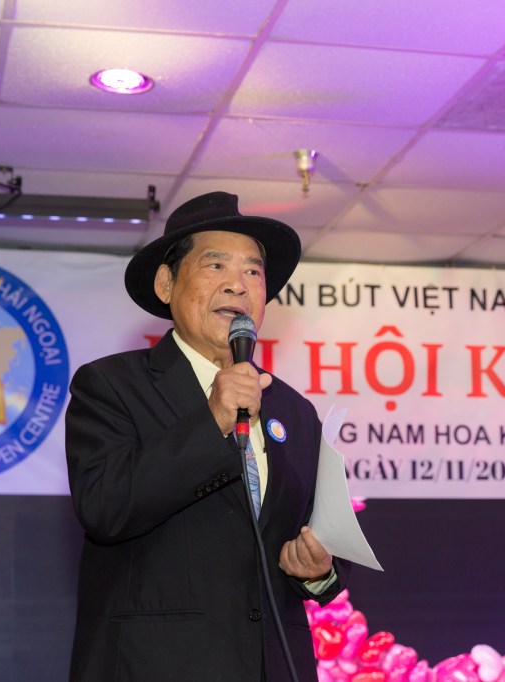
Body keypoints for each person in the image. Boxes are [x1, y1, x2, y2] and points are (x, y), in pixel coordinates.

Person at [65, 191, 348, 681]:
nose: (238, 285)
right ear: (166, 283)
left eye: (253, 272)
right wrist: (212, 418)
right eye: (216, 265)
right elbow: (106, 508)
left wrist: (319, 571)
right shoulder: (110, 386)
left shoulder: (294, 411)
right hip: (156, 667)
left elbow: (314, 532)